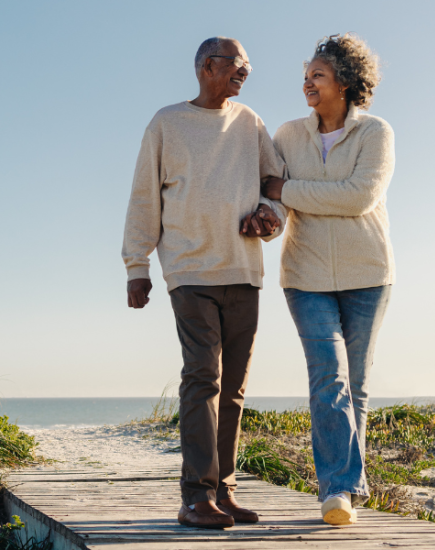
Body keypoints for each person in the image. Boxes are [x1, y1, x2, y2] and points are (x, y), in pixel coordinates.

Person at [122, 36, 285, 529]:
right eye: (238, 64)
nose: (246, 72)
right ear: (207, 66)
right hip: (190, 273)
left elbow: (274, 182)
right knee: (203, 378)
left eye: (248, 66)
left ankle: (224, 491)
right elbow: (144, 196)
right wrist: (137, 266)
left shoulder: (250, 122)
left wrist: (269, 214)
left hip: (244, 270)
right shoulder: (167, 123)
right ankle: (195, 496)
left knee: (232, 388)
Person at [250, 33, 395, 526]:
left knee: (355, 384)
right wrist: (268, 218)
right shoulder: (288, 135)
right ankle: (337, 490)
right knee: (328, 376)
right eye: (306, 75)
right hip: (306, 274)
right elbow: (274, 201)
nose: (307, 83)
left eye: (318, 75)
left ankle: (349, 484)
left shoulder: (376, 133)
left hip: (368, 274)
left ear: (346, 82)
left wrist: (288, 188)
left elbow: (358, 198)